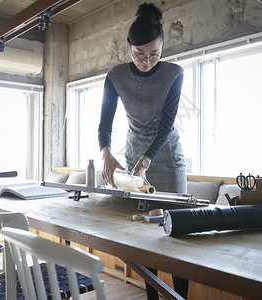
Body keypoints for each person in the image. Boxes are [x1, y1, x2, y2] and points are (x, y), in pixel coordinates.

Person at [98, 2, 188, 299]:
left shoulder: (174, 73)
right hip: (134, 158)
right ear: (129, 48)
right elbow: (104, 125)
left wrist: (145, 163)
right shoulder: (115, 75)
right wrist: (106, 153)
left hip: (168, 161)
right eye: (139, 54)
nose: (146, 61)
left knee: (177, 236)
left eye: (154, 54)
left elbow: (165, 126)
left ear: (163, 49)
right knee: (146, 237)